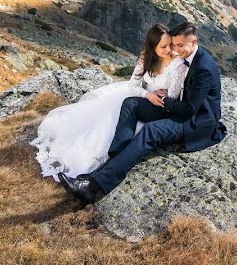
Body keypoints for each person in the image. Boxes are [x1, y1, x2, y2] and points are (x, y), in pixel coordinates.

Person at [58, 21, 227, 204]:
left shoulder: (203, 67)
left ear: (194, 42)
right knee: (131, 104)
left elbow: (190, 109)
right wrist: (150, 95)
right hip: (179, 108)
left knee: (151, 131)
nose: (175, 50)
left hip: (195, 121)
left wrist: (164, 100)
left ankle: (93, 188)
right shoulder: (186, 56)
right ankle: (114, 162)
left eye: (179, 45)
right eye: (174, 44)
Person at [30, 23, 187, 180]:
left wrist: (161, 93)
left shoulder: (177, 63)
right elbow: (132, 85)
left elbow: (172, 97)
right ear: (153, 47)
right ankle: (113, 157)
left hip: (161, 106)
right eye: (163, 46)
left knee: (125, 111)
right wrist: (148, 94)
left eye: (170, 45)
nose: (169, 50)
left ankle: (114, 159)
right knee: (106, 120)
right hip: (144, 97)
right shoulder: (145, 58)